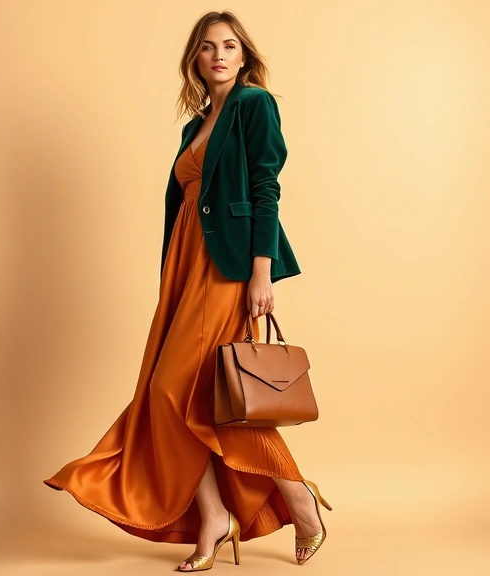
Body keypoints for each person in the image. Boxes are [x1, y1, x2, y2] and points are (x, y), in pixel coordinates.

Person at [44, 11, 331, 571]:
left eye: (229, 46)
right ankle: (216, 515)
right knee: (183, 396)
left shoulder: (254, 104)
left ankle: (298, 501)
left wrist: (261, 270)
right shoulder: (196, 123)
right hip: (185, 266)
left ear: (244, 56)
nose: (219, 55)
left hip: (226, 268)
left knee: (190, 391)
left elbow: (266, 185)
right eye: (207, 47)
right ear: (194, 60)